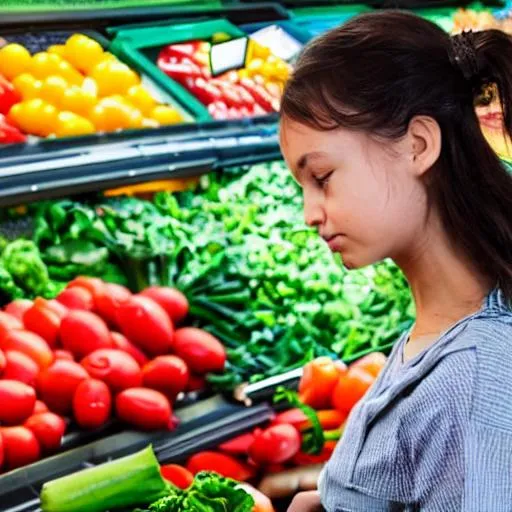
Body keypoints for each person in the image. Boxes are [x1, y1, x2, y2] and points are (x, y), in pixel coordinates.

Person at [279, 10, 512, 512]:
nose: (308, 214)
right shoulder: (445, 328)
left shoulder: (470, 381)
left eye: (321, 177)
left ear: (419, 145)